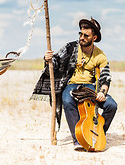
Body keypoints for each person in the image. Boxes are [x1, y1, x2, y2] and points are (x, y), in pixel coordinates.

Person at [31, 17, 117, 150]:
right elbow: (56, 62)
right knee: (67, 100)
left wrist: (102, 92)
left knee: (111, 105)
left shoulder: (100, 55)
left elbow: (106, 78)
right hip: (71, 84)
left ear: (94, 38)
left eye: (86, 35)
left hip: (90, 87)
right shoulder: (70, 47)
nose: (81, 37)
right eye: (80, 34)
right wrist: (47, 59)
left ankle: (98, 133)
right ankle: (78, 138)